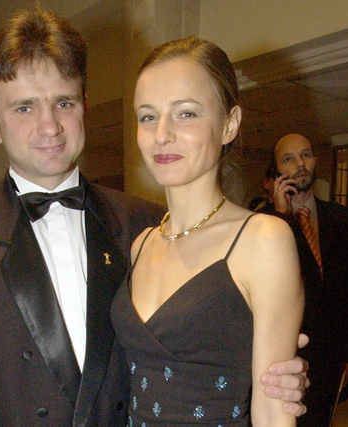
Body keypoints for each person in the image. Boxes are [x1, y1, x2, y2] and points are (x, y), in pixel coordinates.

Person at [0, 7, 309, 427]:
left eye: (63, 103)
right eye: (24, 108)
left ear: (84, 107)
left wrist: (272, 376)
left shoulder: (143, 225)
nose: (49, 126)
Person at [111, 37, 305, 426]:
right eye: (148, 116)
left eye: (186, 113)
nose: (161, 134)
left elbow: (273, 410)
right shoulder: (141, 244)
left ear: (229, 124)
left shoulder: (262, 239)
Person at [258, 133, 348, 426]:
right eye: (288, 159)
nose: (300, 164)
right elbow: (268, 283)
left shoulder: (343, 219)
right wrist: (281, 216)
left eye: (305, 155)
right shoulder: (263, 223)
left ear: (315, 160)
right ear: (276, 172)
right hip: (285, 354)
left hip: (332, 355)